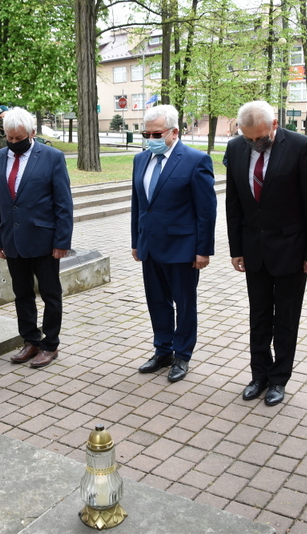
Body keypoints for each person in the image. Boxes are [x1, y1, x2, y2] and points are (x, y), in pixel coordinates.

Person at [224, 100, 307, 406]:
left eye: (261, 137)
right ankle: (259, 376)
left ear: (275, 124)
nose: (255, 144)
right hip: (254, 251)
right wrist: (236, 249)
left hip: (291, 251)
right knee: (258, 316)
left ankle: (279, 379)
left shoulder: (300, 147)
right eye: (249, 138)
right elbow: (234, 203)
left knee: (285, 318)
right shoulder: (236, 148)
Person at [131, 104, 217, 383]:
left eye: (157, 134)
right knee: (157, 302)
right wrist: (136, 240)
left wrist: (203, 249)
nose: (151, 139)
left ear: (174, 131)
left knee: (184, 303)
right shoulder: (140, 160)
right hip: (150, 245)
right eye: (147, 134)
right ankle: (163, 349)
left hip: (182, 248)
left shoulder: (195, 160)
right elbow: (139, 205)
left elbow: (206, 210)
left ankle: (182, 355)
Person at [0, 107, 73, 368]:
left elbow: (63, 204)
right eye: (10, 139)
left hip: (44, 240)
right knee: (21, 293)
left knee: (50, 294)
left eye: (19, 138)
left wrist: (62, 242)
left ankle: (50, 344)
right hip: (12, 239)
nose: (14, 143)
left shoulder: (52, 157)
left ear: (32, 133)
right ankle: (31, 340)